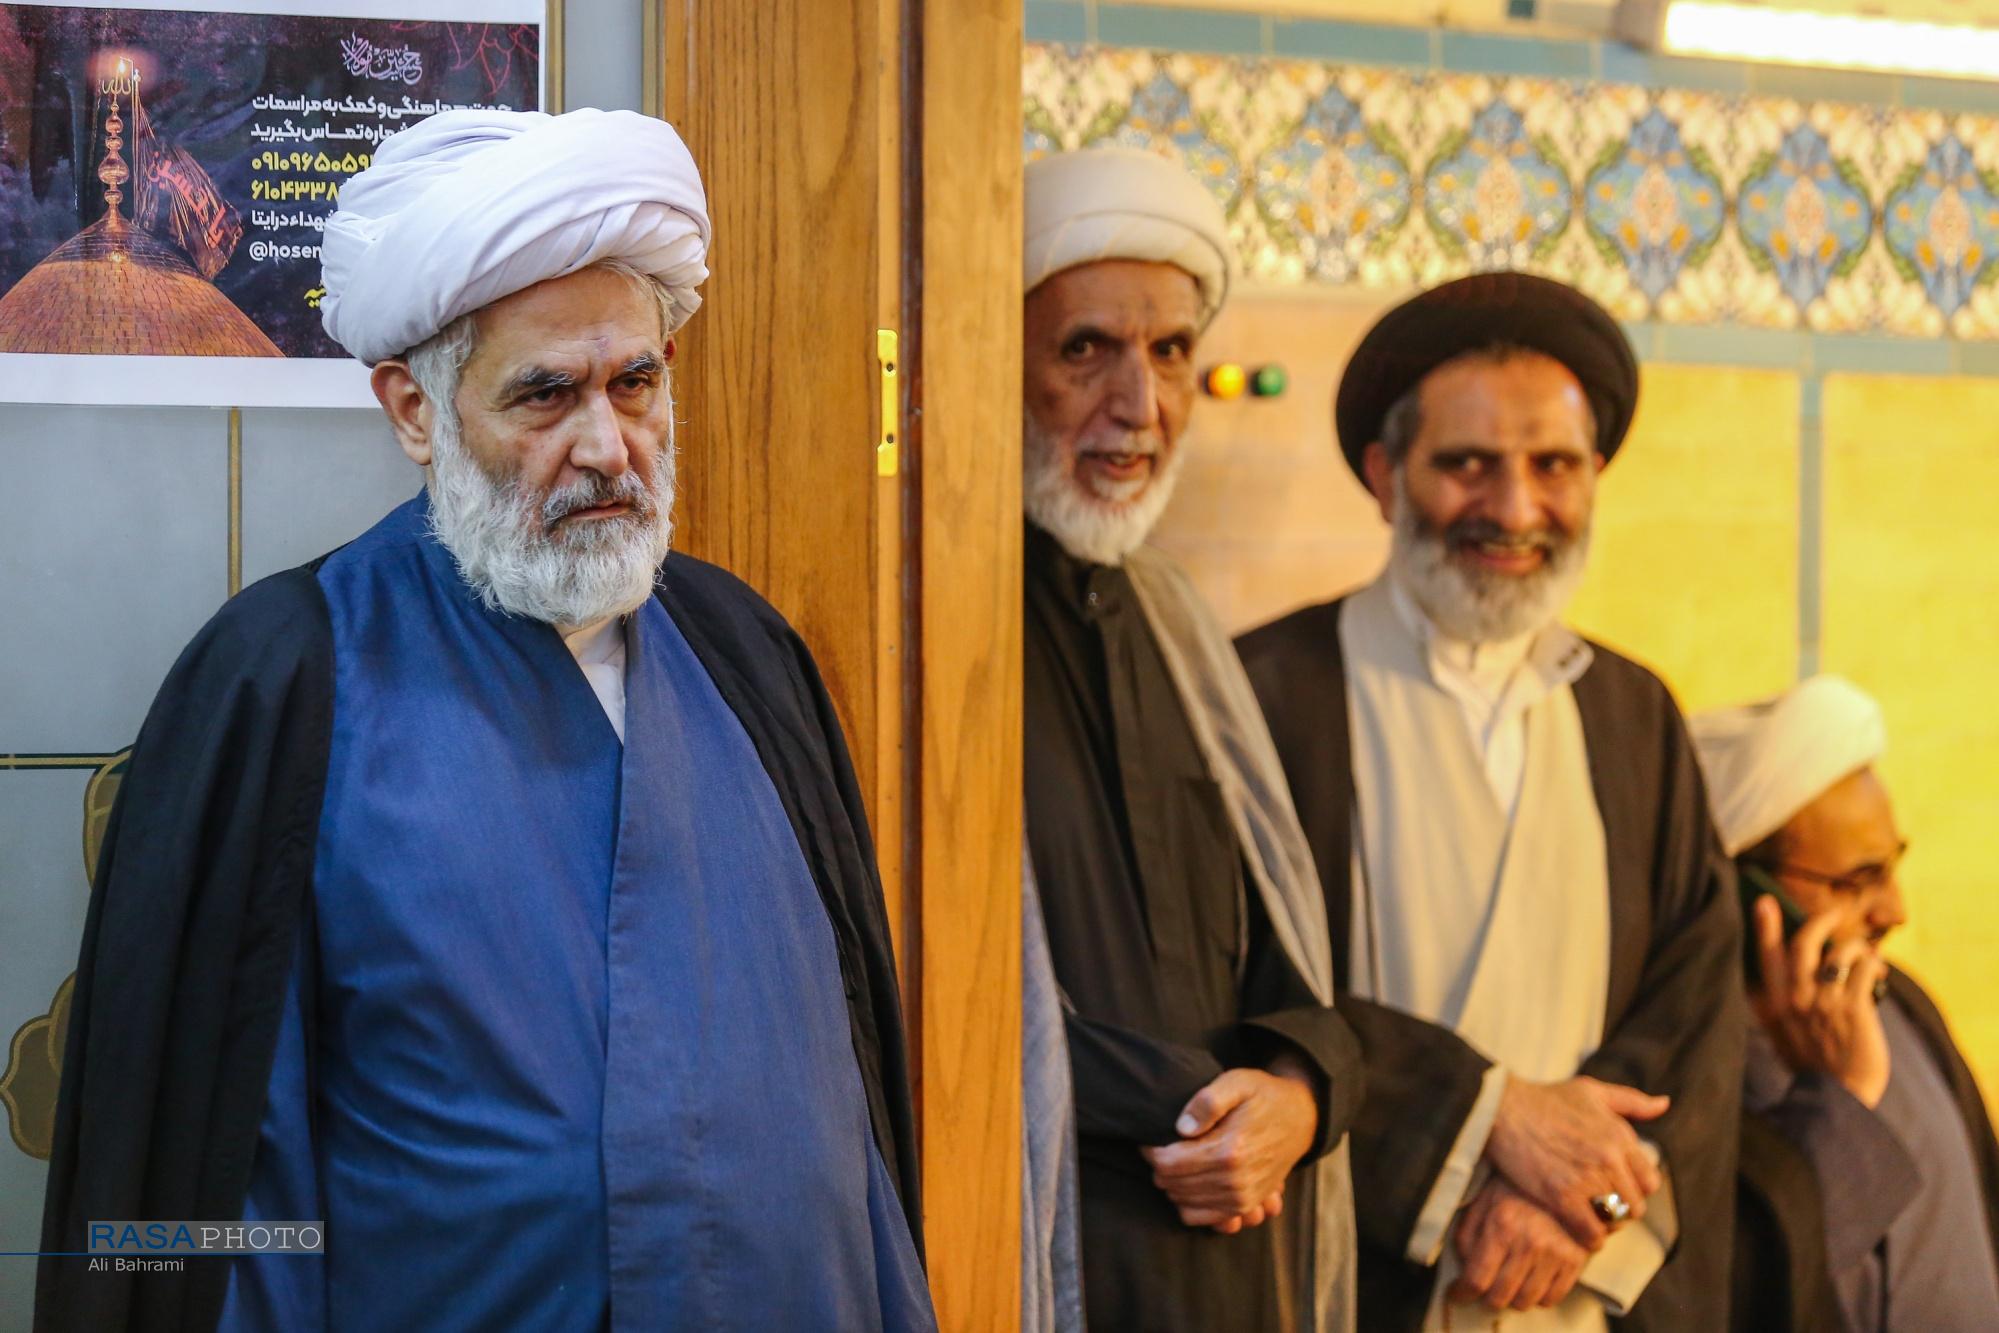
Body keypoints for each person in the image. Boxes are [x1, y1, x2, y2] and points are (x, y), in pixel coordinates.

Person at [37, 108, 934, 1333]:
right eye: (546, 395)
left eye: (635, 383)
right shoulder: (288, 680)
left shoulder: (746, 655)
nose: (607, 447)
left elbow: (855, 1125)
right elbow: (207, 1193)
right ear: (415, 410)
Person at [1235, 273, 1743, 1331]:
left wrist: (1580, 1203)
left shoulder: (1633, 713)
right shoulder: (1263, 694)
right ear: (1385, 476)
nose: (1514, 510)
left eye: (1553, 466)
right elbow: (1235, 992)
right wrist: (1485, 1121)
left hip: (1583, 1287)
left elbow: (1693, 1002)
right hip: (1354, 1282)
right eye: (1467, 464)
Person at [1016, 145, 1362, 1333]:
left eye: (1169, 352)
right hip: (1049, 1249)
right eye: (1085, 350)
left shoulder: (1176, 626)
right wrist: (1200, 1101)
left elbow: (1284, 957)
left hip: (1232, 1263)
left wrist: (1300, 1091)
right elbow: (927, 990)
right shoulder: (941, 628)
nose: (1140, 405)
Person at [1691, 676, 1999, 1332]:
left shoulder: (1902, 1007)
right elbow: (1750, 1288)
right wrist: (1837, 1098)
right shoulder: (1685, 1068)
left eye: (1890, 868)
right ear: (1748, 888)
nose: (1894, 910)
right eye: (1858, 881)